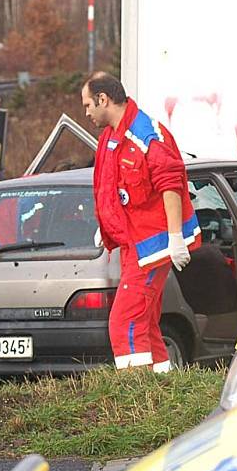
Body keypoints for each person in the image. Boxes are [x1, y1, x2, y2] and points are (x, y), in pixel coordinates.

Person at [82, 72, 200, 372]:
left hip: (154, 244)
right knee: (144, 319)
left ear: (103, 99)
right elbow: (112, 186)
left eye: (88, 105)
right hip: (134, 242)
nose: (86, 112)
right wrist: (107, 224)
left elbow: (171, 186)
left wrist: (175, 238)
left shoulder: (146, 136)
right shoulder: (112, 134)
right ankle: (160, 381)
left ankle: (135, 387)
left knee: (125, 320)